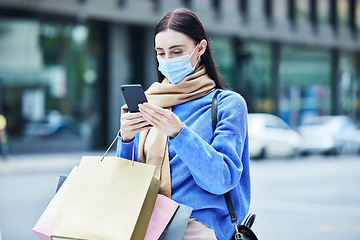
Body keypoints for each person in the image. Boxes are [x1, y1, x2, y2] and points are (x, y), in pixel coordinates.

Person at [116, 8, 251, 240]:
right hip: (145, 225)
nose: (167, 60)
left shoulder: (228, 104)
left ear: (200, 48)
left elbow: (221, 180)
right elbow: (126, 183)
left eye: (177, 51)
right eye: (160, 53)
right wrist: (126, 139)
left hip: (196, 227)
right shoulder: (152, 102)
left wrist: (178, 133)